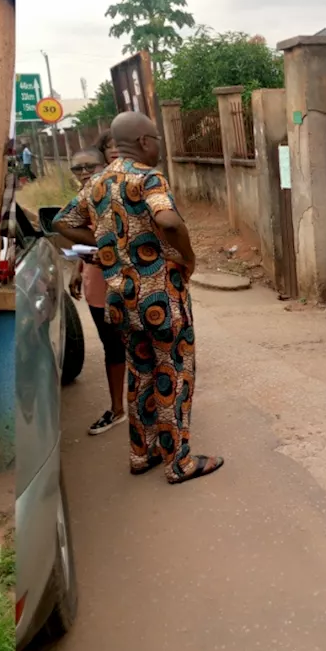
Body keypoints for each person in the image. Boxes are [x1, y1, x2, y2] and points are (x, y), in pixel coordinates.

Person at [53, 111, 223, 484]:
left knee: (141, 373)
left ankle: (140, 453)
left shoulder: (97, 181)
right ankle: (179, 463)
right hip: (161, 296)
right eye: (157, 139)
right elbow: (168, 221)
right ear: (145, 141)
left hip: (121, 299)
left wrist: (104, 241)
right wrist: (188, 258)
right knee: (175, 372)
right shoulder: (148, 178)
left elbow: (62, 222)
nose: (159, 145)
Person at [66, 147, 125, 436]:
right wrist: (78, 270)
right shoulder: (79, 201)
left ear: (105, 165)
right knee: (111, 345)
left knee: (138, 343)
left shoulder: (120, 194)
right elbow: (78, 234)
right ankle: (117, 409)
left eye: (90, 166)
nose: (84, 172)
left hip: (125, 280)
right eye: (77, 168)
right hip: (96, 282)